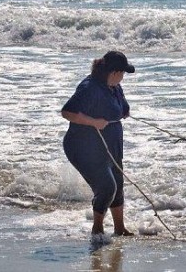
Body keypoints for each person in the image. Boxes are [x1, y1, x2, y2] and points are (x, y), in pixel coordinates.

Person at [61, 50, 135, 236]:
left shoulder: (115, 87)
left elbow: (122, 108)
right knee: (107, 186)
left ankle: (120, 229)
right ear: (114, 72)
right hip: (83, 147)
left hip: (111, 145)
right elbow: (67, 112)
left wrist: (124, 112)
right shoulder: (89, 87)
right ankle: (97, 229)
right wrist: (94, 122)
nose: (123, 77)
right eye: (123, 73)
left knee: (117, 184)